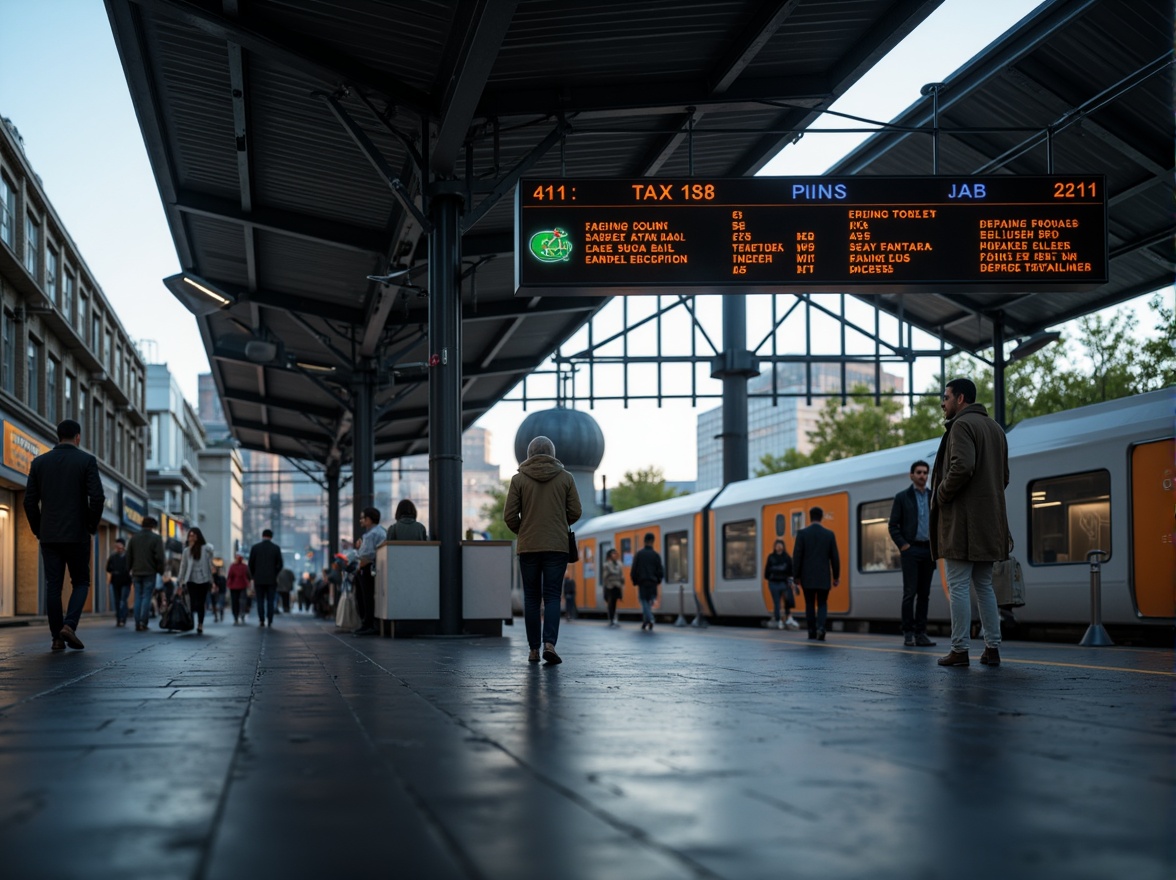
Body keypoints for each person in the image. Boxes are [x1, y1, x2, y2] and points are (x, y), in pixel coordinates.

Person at [932, 378, 1010, 668]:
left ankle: (960, 649)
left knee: (959, 587)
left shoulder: (962, 426)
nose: (943, 402)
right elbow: (1004, 477)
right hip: (990, 522)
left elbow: (962, 466)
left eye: (946, 397)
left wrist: (941, 494)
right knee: (985, 585)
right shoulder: (996, 429)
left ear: (960, 398)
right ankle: (992, 648)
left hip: (963, 523)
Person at [23, 418, 104, 651]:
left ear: (57, 436)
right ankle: (69, 625)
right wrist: (90, 524)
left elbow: (29, 501)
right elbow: (97, 497)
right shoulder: (86, 461)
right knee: (80, 582)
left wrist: (39, 529)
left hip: (49, 535)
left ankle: (57, 638)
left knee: (53, 586)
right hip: (77, 534)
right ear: (77, 437)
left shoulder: (39, 463)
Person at [504, 435, 582, 665]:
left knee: (531, 598)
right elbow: (576, 511)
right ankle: (550, 644)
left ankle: (533, 650)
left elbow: (509, 516)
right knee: (551, 597)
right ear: (553, 453)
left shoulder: (518, 480)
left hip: (529, 546)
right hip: (557, 547)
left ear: (528, 454)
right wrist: (558, 523)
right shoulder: (566, 478)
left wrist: (525, 530)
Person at [889, 460, 938, 647]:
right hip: (911, 550)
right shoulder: (902, 497)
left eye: (925, 472)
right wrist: (903, 545)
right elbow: (893, 525)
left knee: (924, 594)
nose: (922, 476)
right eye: (919, 472)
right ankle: (908, 633)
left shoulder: (933, 496)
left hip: (928, 550)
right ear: (911, 475)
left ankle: (921, 634)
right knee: (910, 593)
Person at [792, 507, 840, 641]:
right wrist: (836, 576)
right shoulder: (829, 534)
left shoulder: (802, 534)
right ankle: (821, 627)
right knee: (823, 603)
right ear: (821, 517)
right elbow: (834, 557)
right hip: (824, 576)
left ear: (810, 517)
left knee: (809, 604)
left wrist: (796, 576)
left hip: (807, 577)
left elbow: (797, 556)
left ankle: (811, 631)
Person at [126, 516, 166, 631]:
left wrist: (128, 569)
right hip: (150, 571)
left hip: (136, 572)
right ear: (153, 526)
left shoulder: (134, 538)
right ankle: (144, 622)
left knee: (138, 596)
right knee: (147, 597)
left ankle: (137, 622)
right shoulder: (156, 538)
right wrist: (160, 570)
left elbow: (129, 556)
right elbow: (160, 557)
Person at [353, 508, 387, 636]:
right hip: (369, 568)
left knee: (366, 596)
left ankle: (368, 624)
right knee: (365, 596)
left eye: (363, 518)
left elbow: (369, 554)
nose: (361, 520)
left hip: (368, 568)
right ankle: (367, 623)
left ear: (369, 519)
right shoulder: (378, 532)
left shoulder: (374, 534)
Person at [178, 527, 215, 634]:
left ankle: (200, 624)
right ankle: (192, 622)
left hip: (204, 579)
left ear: (198, 536)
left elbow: (211, 550)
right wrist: (180, 581)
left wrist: (202, 543)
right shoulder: (186, 551)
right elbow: (183, 566)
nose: (191, 537)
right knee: (193, 603)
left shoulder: (205, 548)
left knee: (201, 603)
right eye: (190, 535)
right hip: (190, 579)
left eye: (194, 535)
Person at [248, 528, 284, 627]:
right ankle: (270, 620)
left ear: (262, 536)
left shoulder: (255, 548)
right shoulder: (276, 548)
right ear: (271, 537)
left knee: (260, 600)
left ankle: (261, 620)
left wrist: (254, 575)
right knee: (270, 601)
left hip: (258, 579)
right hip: (271, 580)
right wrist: (274, 573)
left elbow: (250, 564)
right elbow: (280, 564)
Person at [631, 533, 664, 632]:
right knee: (649, 601)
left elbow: (634, 569)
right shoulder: (656, 555)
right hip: (653, 582)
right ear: (653, 541)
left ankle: (650, 619)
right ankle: (646, 622)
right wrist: (658, 580)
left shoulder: (639, 554)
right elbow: (660, 570)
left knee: (644, 601)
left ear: (644, 541)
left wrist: (635, 581)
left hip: (642, 582)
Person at [763, 539, 799, 630]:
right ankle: (779, 619)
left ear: (783, 547)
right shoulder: (771, 557)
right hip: (774, 583)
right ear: (775, 547)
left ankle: (787, 617)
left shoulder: (787, 558)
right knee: (777, 602)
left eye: (780, 545)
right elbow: (766, 572)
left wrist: (791, 584)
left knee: (787, 600)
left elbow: (791, 572)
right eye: (777, 545)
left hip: (784, 582)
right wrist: (771, 578)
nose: (778, 547)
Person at [106, 538, 132, 628]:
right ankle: (119, 618)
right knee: (117, 601)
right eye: (116, 546)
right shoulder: (113, 556)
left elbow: (131, 567)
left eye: (119, 546)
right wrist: (114, 571)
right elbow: (108, 568)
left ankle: (123, 618)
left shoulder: (128, 556)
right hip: (115, 581)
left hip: (126, 581)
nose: (118, 548)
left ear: (124, 546)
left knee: (123, 600)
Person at [601, 548, 624, 627]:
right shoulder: (607, 564)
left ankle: (614, 618)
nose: (615, 555)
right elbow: (605, 577)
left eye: (615, 553)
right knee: (611, 603)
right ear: (610, 555)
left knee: (615, 602)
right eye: (613, 553)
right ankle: (611, 619)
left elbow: (621, 575)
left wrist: (622, 582)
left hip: (617, 585)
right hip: (610, 586)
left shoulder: (619, 564)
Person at [226, 553, 250, 624]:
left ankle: (235, 616)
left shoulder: (232, 566)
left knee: (234, 602)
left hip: (233, 586)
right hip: (243, 585)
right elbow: (248, 575)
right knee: (243, 601)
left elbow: (229, 575)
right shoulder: (245, 566)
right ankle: (242, 614)